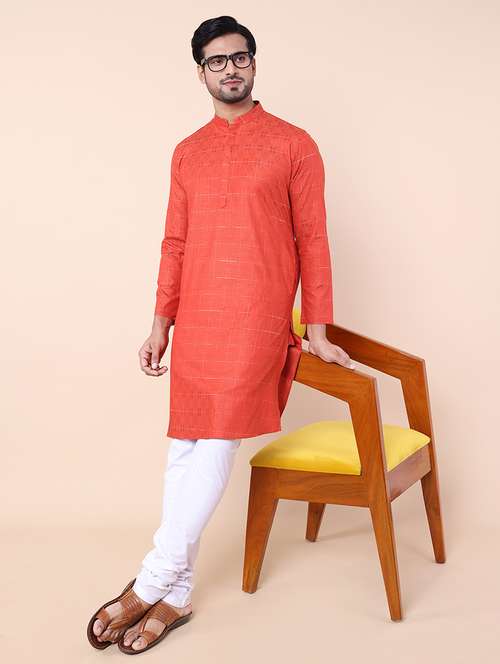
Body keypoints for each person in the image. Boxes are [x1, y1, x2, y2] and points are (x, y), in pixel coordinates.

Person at [88, 15, 355, 654]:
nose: (229, 69)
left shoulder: (294, 145)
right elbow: (175, 242)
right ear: (201, 72)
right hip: (200, 316)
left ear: (254, 64)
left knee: (213, 445)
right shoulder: (188, 151)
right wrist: (161, 324)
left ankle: (149, 582)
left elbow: (314, 240)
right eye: (216, 61)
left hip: (258, 315)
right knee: (185, 447)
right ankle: (176, 594)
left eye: (239, 57)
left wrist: (316, 329)